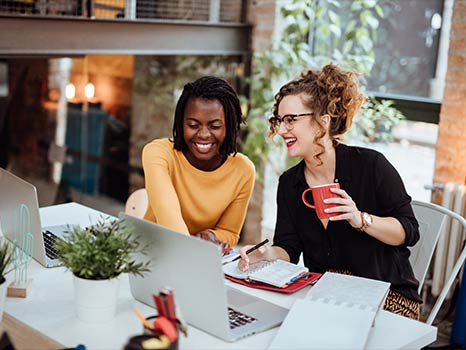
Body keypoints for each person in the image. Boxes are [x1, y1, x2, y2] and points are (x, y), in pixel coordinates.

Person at [238, 64, 421, 320]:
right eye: (280, 121)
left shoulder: (371, 166)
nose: (281, 130)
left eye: (291, 120)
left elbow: (408, 232)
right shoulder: (290, 184)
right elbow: (289, 249)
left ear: (322, 122)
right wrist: (265, 255)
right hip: (327, 294)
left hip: (387, 295)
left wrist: (360, 219)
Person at [142, 76, 255, 248]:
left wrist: (210, 236)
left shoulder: (243, 170)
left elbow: (230, 232)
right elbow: (167, 212)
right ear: (181, 124)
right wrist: (191, 247)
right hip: (152, 251)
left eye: (215, 126)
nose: (203, 134)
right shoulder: (158, 153)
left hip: (199, 256)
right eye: (193, 125)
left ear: (230, 126)